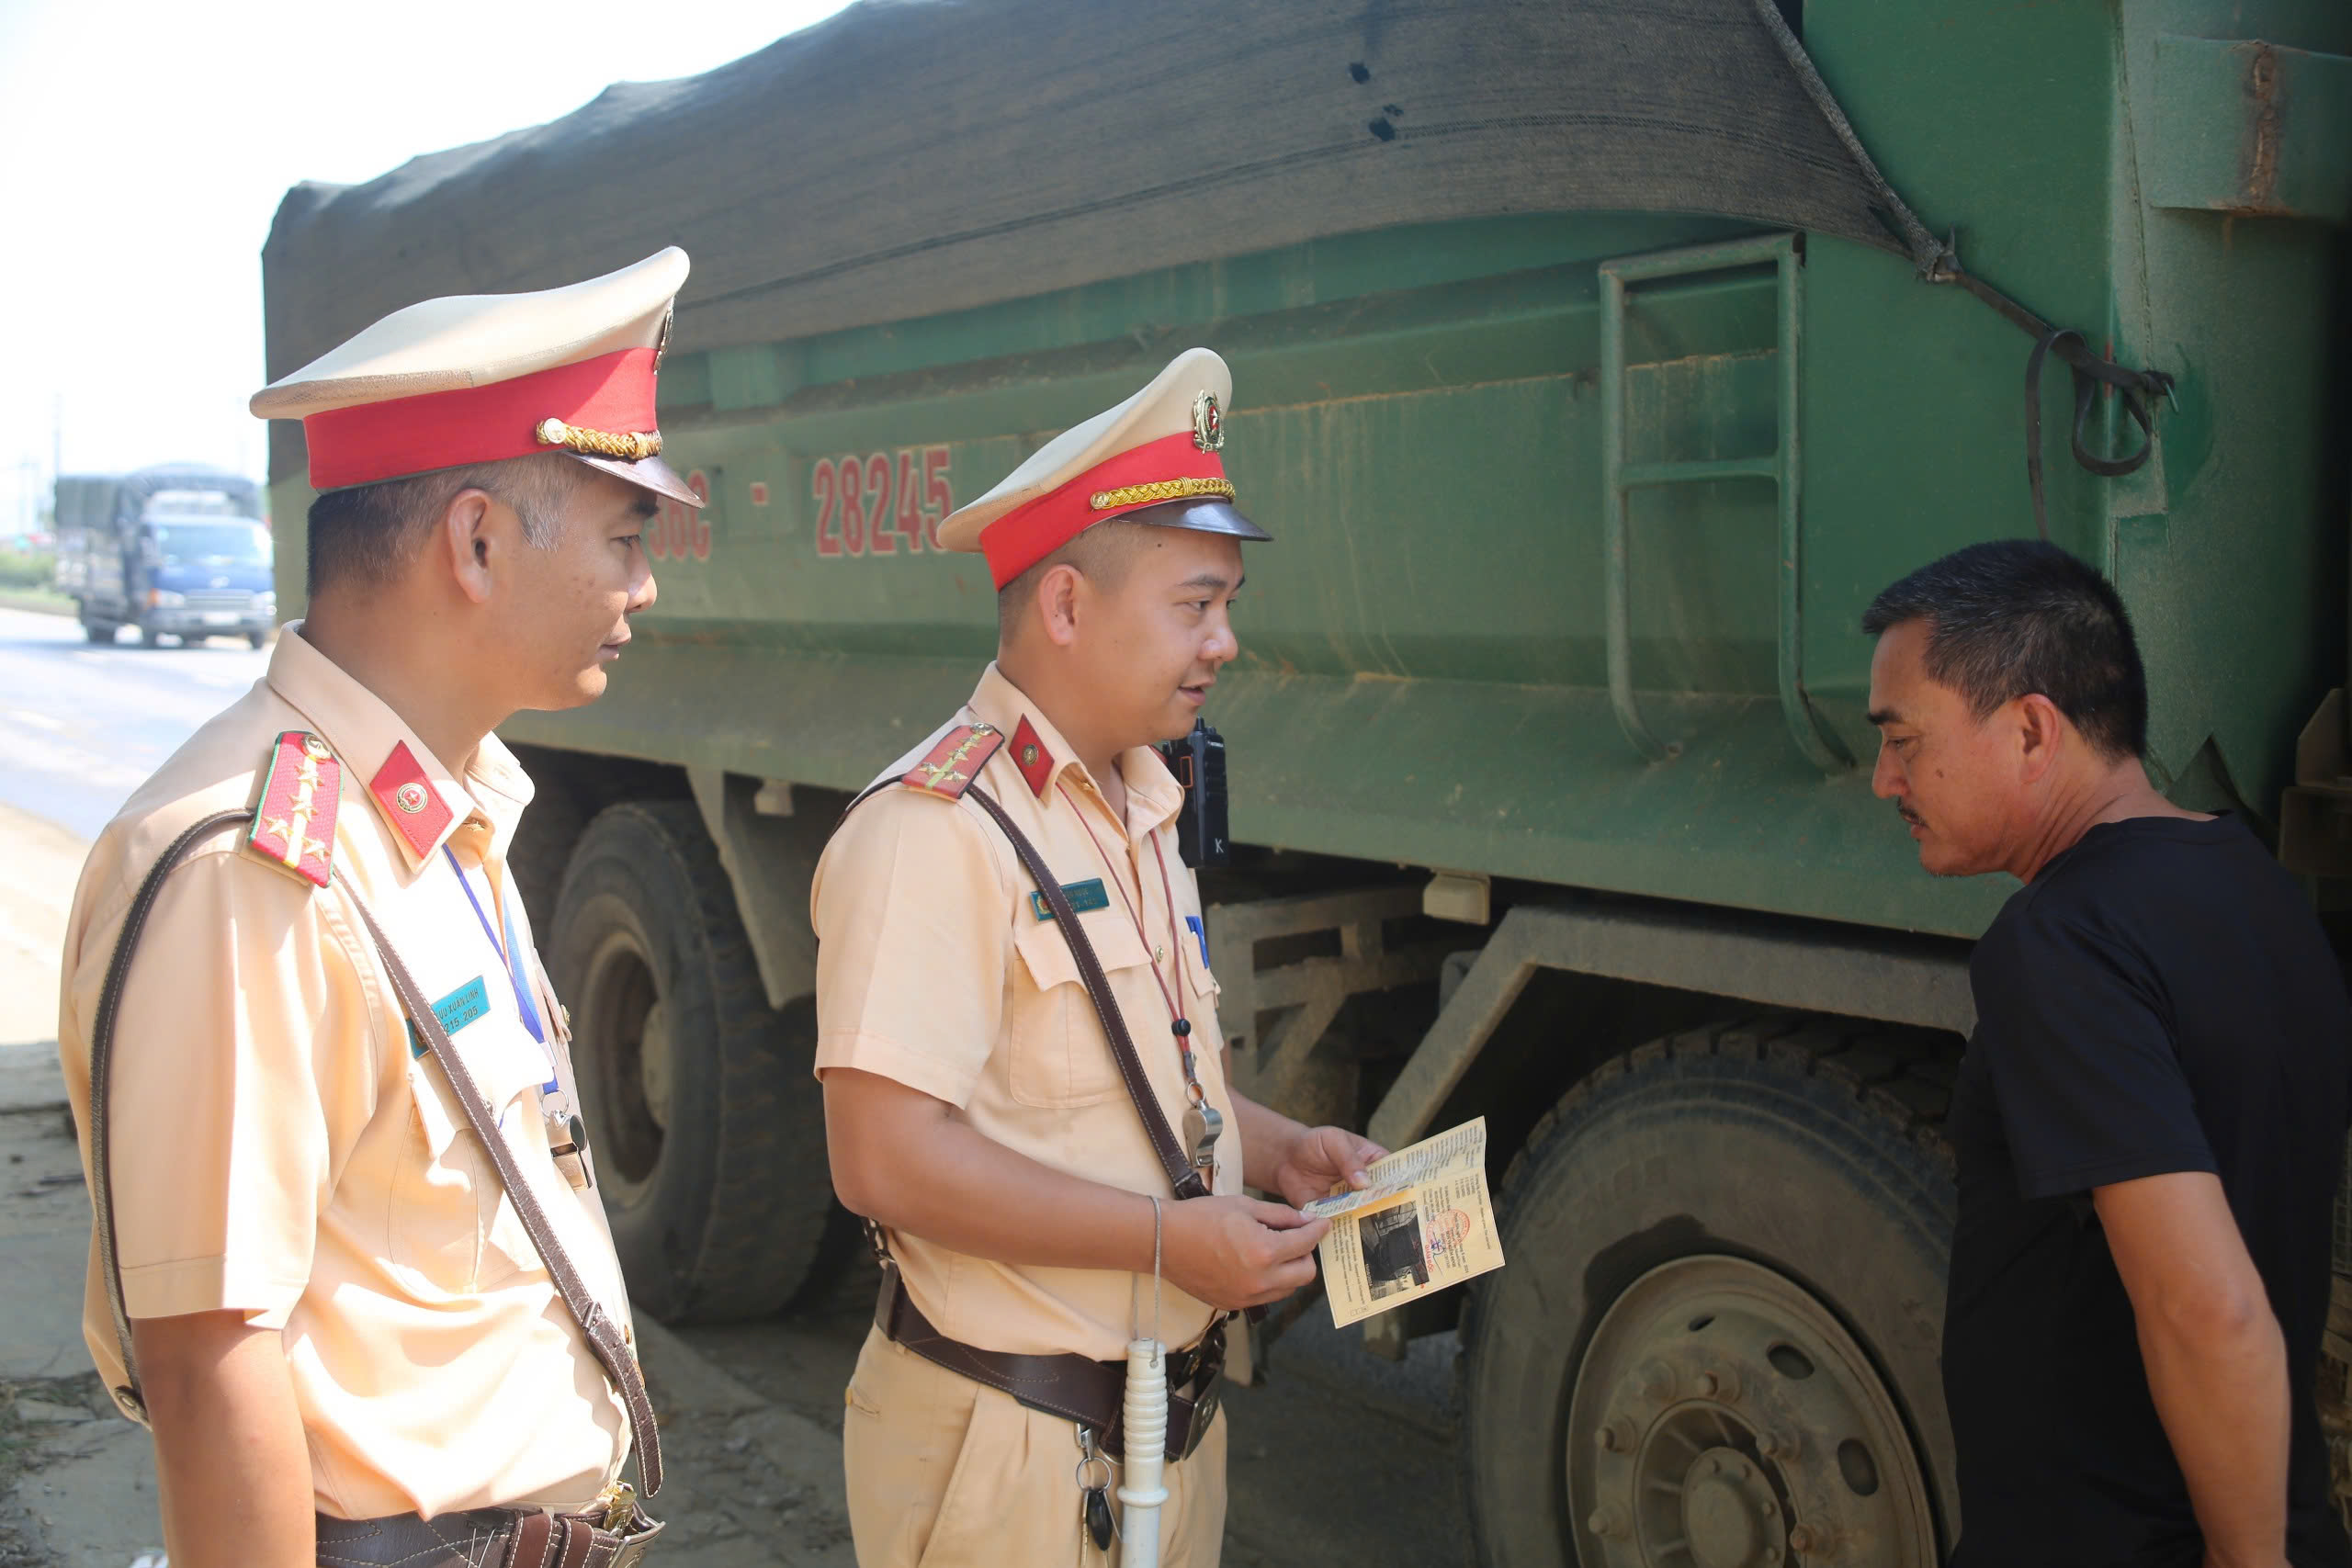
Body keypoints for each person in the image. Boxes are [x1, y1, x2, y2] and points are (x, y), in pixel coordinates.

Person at [54, 249, 700, 1568]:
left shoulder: (435, 807)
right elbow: (206, 1357)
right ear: (473, 541)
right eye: (625, 537)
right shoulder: (258, 864)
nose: (645, 585)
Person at [813, 347, 1388, 1567]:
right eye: (1195, 603)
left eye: (1228, 603)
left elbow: (1128, 1076)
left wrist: (1279, 1148)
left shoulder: (1138, 802)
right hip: (1006, 1451)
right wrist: (1170, 1242)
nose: (1225, 640)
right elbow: (882, 1156)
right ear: (1068, 605)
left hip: (1160, 1428)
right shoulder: (935, 827)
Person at [1863, 538, 2352, 1568]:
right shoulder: (2252, 884)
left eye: (1903, 739)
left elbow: (2205, 1307)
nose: (1881, 780)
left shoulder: (2061, 944)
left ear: (2032, 728)